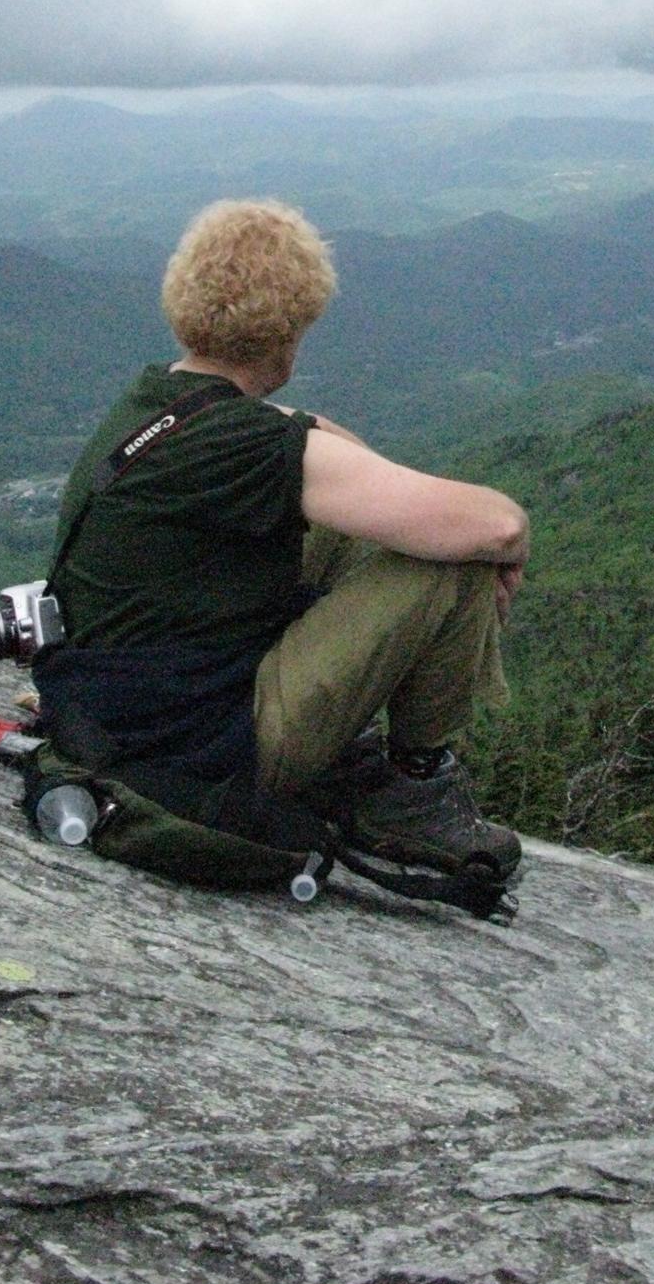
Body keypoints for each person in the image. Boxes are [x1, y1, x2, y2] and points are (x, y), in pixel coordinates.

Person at [36, 198, 530, 877]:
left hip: (129, 717)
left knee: (346, 520)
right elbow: (495, 526)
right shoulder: (247, 447)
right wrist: (512, 540)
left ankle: (370, 761)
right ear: (292, 331)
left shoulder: (157, 405)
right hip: (208, 743)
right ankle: (415, 786)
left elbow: (318, 437)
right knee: (453, 566)